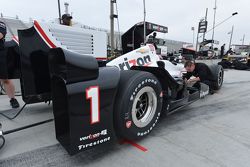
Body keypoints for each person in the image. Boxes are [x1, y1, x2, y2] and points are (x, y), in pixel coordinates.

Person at [0, 20, 20, 108]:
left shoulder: (1, 24)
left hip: (1, 53)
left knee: (5, 79)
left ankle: (13, 99)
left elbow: (0, 35)